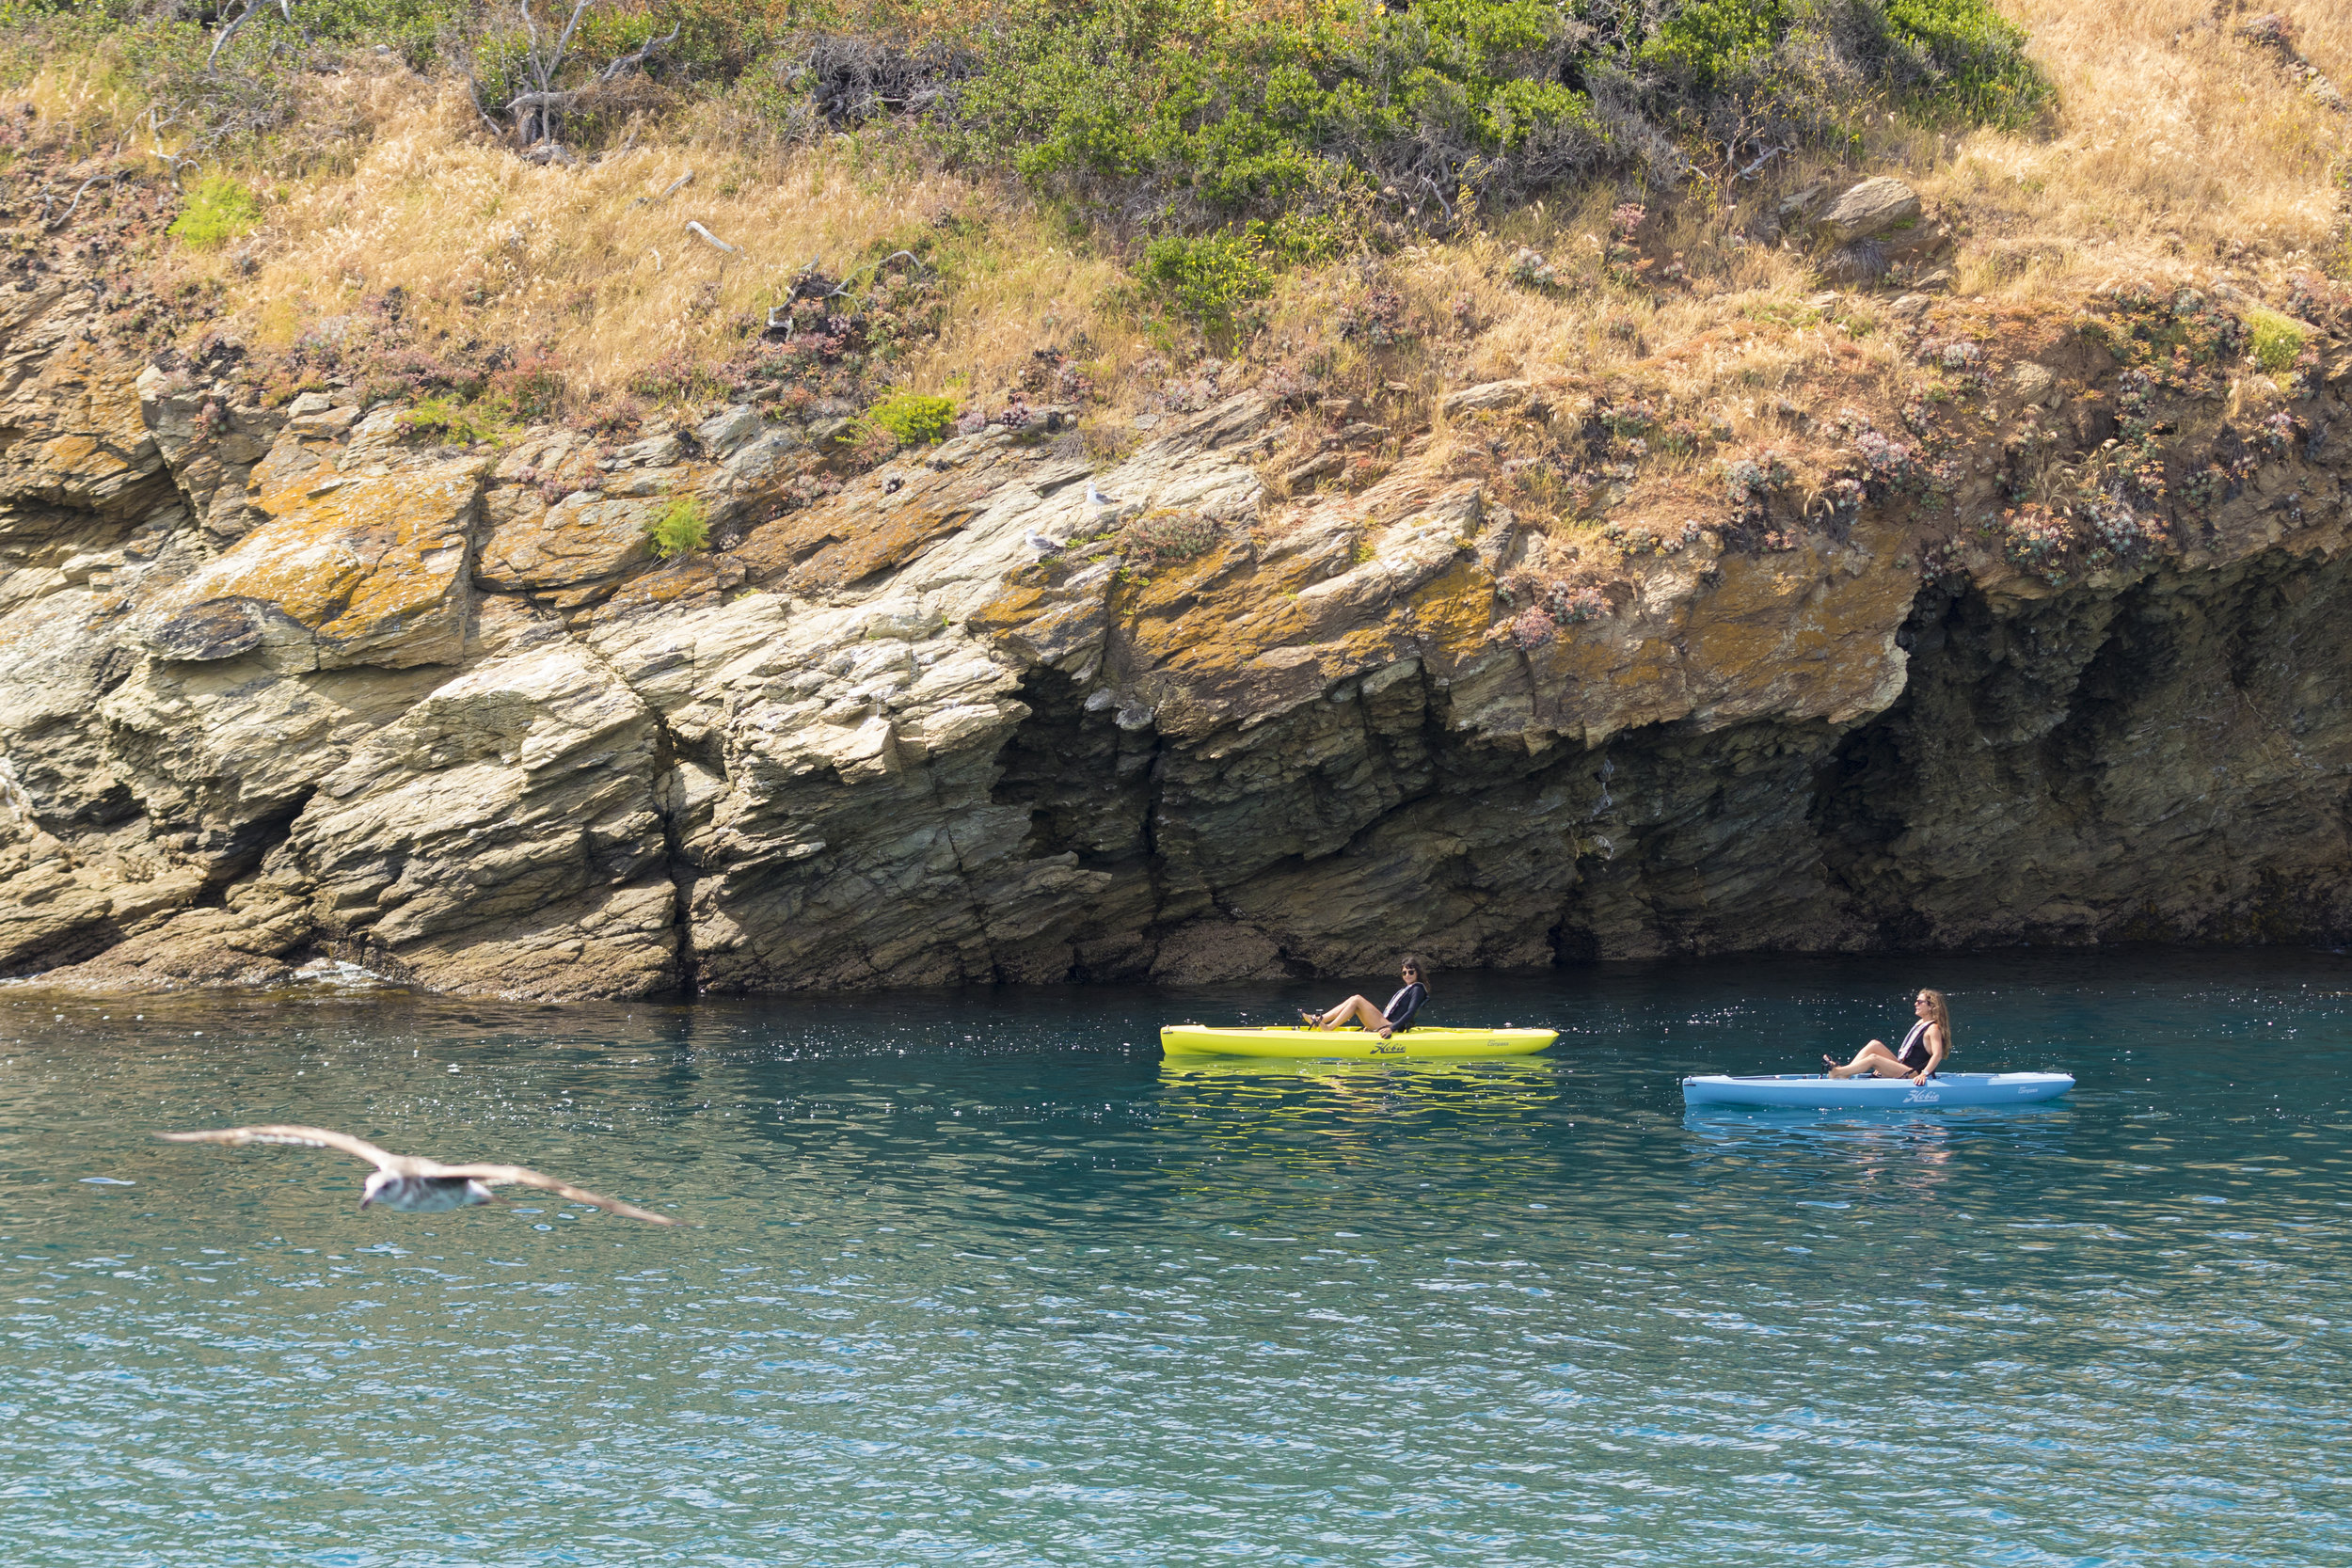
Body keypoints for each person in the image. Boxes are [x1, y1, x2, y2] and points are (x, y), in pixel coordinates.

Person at [1824, 989, 1952, 1083]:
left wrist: (1924, 1074)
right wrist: (1886, 1067)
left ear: (1931, 1007)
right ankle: (1846, 1073)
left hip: (1913, 1074)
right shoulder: (1921, 1023)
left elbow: (1937, 1055)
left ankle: (1838, 1072)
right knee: (1874, 1044)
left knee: (1874, 1058)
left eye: (1920, 1002)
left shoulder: (1933, 1029)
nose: (1915, 1004)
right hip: (1903, 1067)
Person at [1305, 958, 1428, 1038]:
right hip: (1386, 1023)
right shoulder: (1408, 989)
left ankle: (1328, 1027)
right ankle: (1320, 1019)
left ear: (1417, 973)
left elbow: (1410, 1013)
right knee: (1354, 999)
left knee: (1357, 999)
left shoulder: (1417, 989)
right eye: (1404, 973)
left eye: (1411, 972)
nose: (1407, 975)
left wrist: (1391, 1028)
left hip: (1391, 1026)